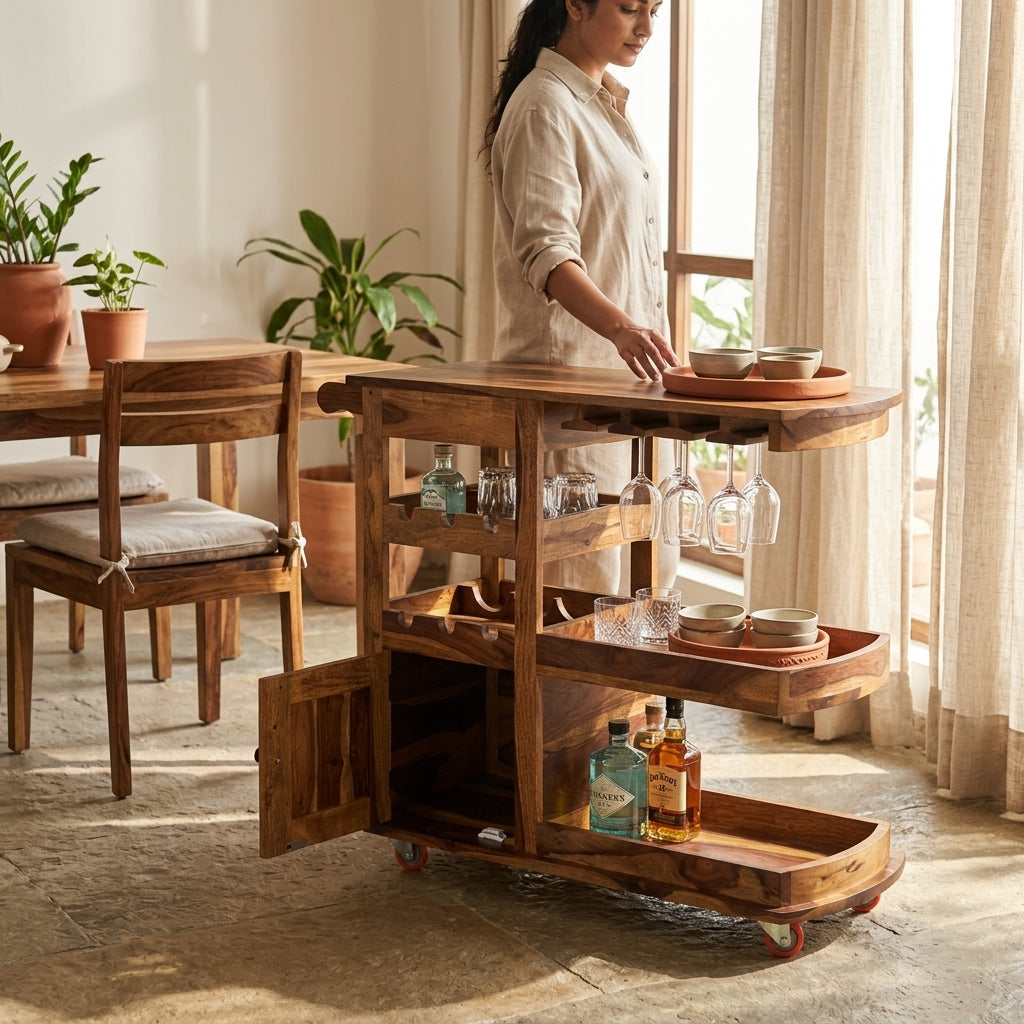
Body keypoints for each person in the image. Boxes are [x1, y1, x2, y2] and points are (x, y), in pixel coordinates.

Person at [484, 0, 679, 595]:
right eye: (629, 9)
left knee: (648, 582)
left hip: (630, 389)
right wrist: (623, 329)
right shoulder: (544, 105)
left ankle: (638, 694)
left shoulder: (604, 106)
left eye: (655, 10)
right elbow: (548, 254)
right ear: (575, 5)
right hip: (567, 393)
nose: (646, 28)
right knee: (581, 594)